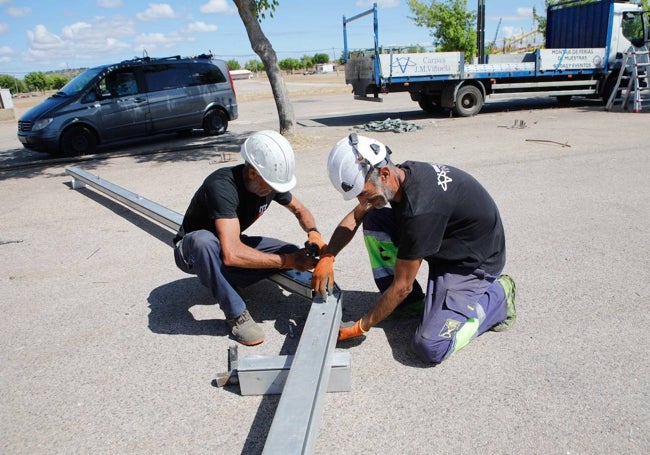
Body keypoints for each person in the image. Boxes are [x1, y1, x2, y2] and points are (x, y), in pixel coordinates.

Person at [311, 133, 516, 364]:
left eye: (363, 193)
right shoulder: (401, 174)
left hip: (471, 264)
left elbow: (402, 286)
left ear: (384, 174)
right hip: (445, 240)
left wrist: (362, 325)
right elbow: (356, 216)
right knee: (374, 218)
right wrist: (328, 256)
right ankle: (410, 306)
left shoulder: (421, 209)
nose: (361, 201)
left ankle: (498, 297)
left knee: (430, 347)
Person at [173, 130, 324, 346]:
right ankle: (236, 314)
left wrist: (314, 233)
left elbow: (300, 210)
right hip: (192, 252)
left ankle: (231, 277)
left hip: (228, 243)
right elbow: (232, 253)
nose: (273, 191)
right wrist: (290, 261)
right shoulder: (222, 185)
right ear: (252, 172)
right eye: (270, 185)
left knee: (289, 249)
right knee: (204, 242)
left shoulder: (269, 183)